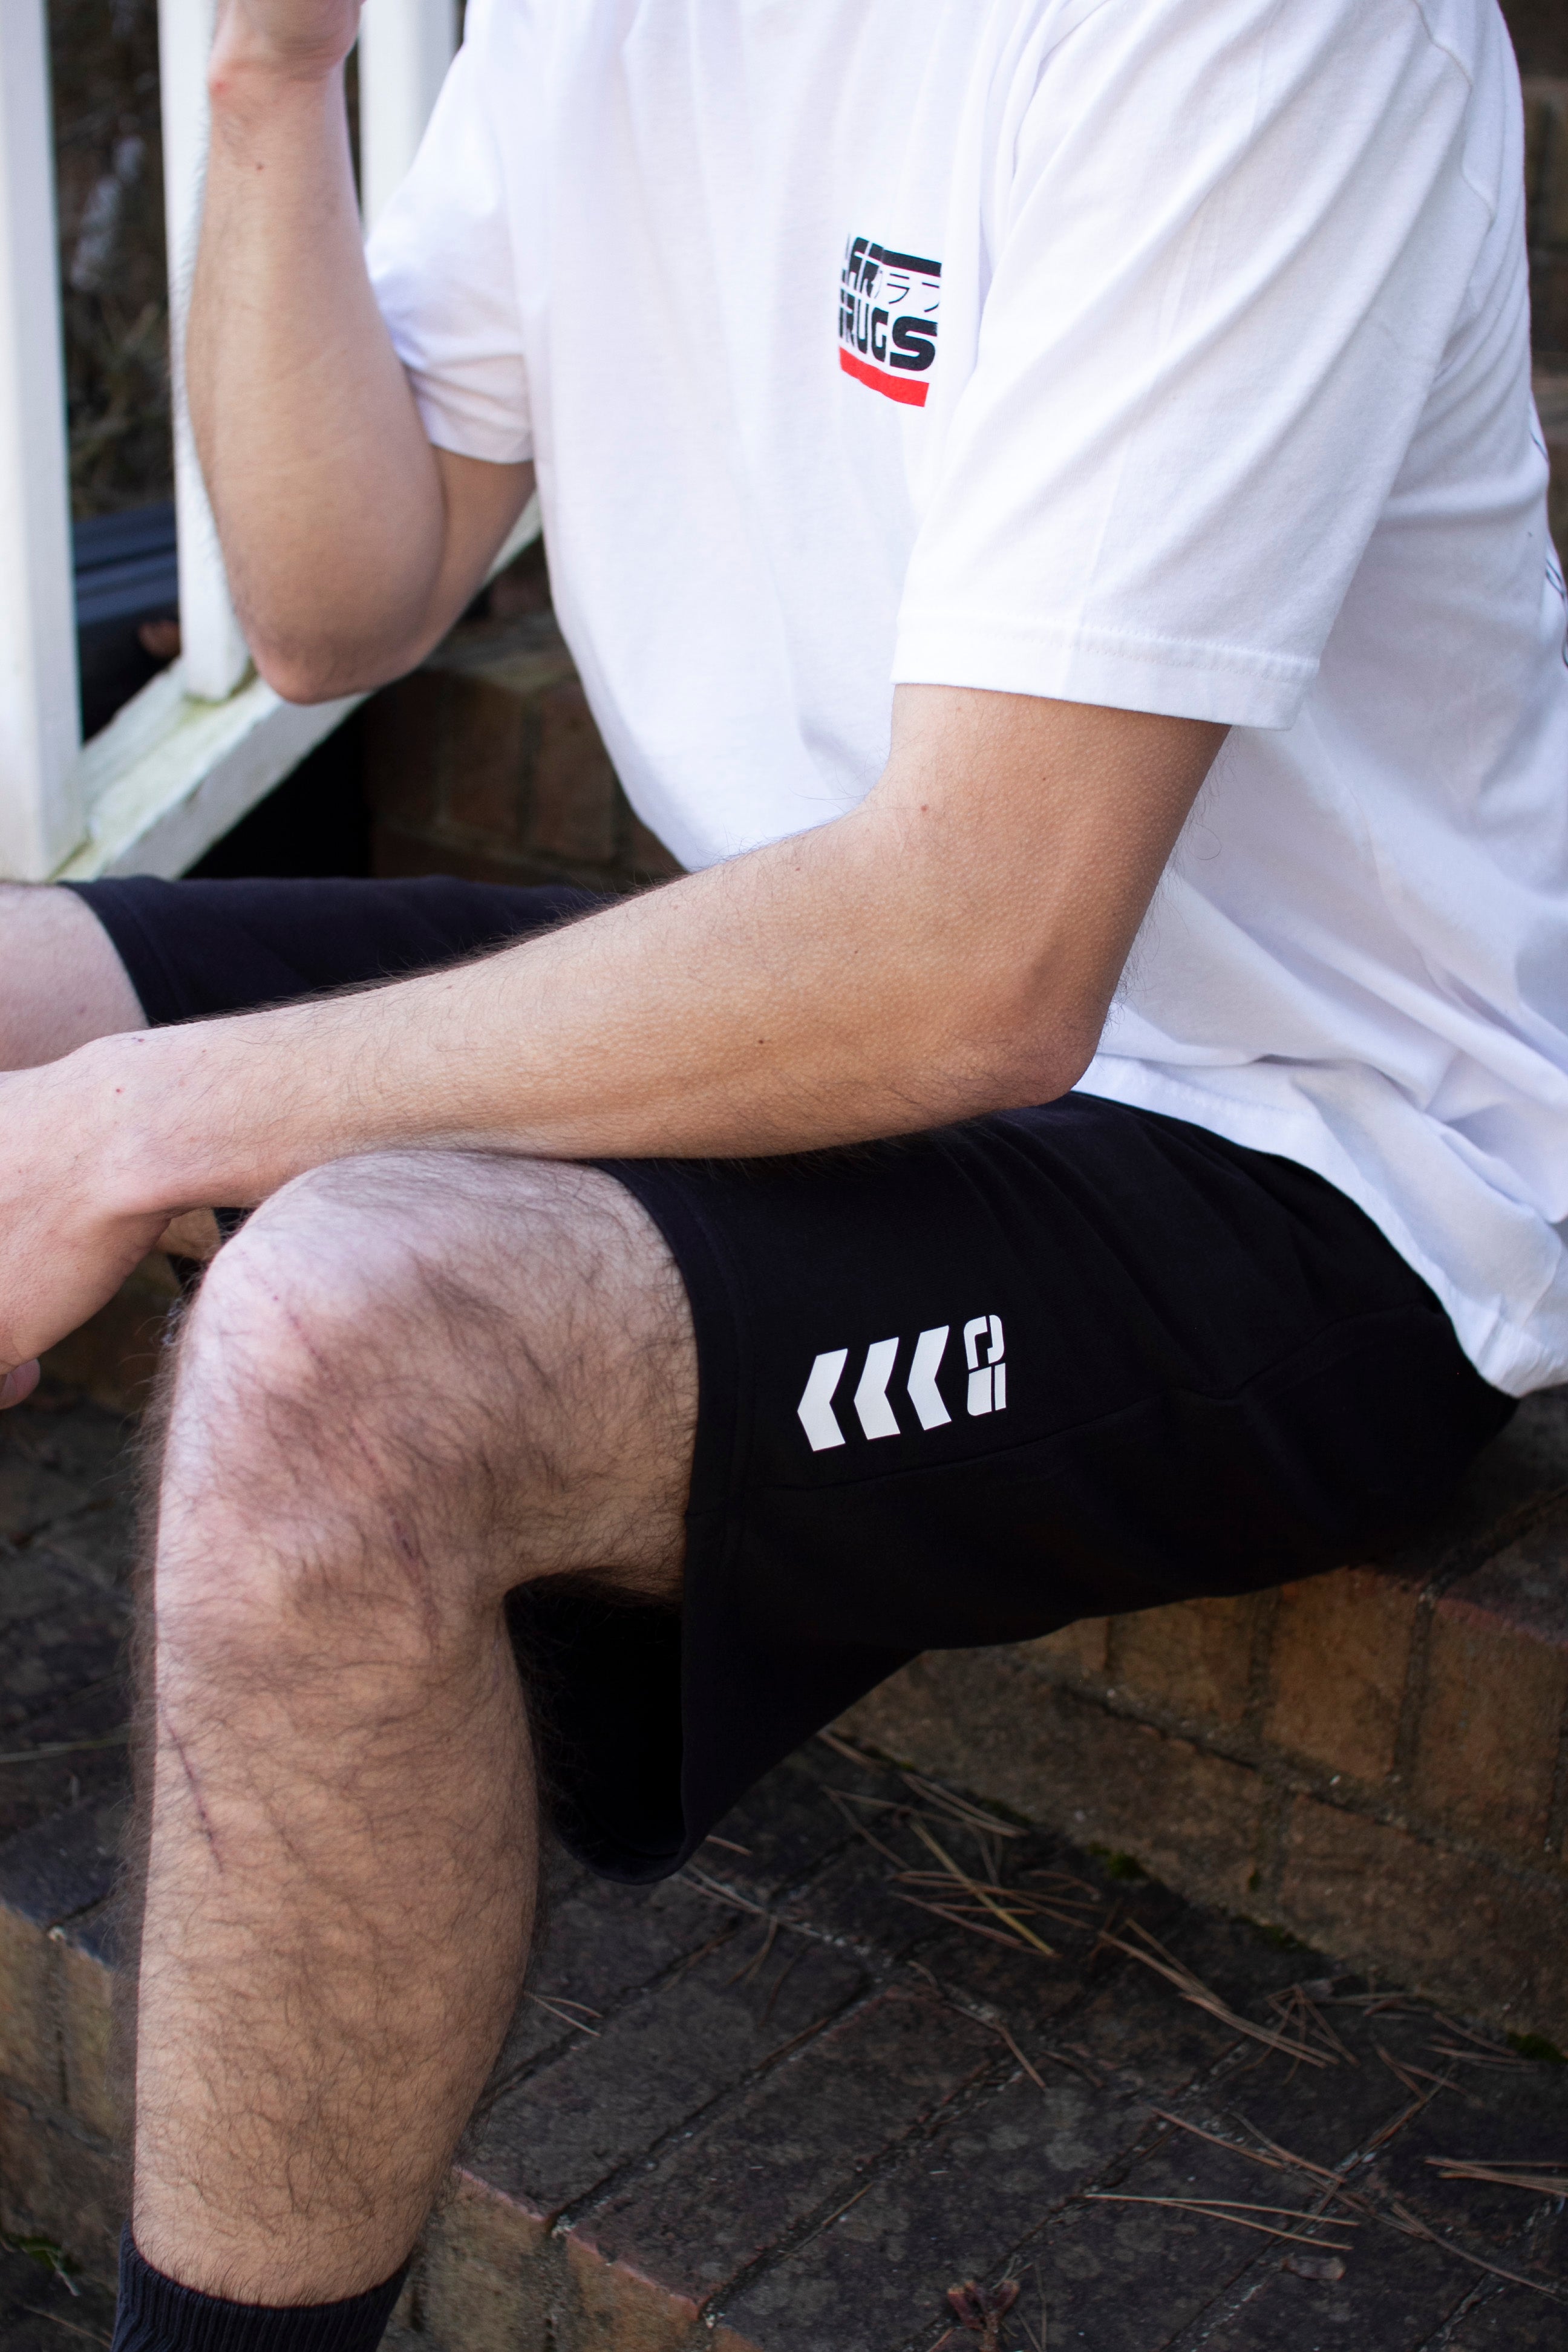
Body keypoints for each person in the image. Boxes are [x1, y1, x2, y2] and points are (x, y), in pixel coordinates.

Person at [1, 0, 1563, 2344]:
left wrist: (144, 1121)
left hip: (1306, 1154)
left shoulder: (1253, 31)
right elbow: (337, 604)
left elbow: (981, 952)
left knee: (334, 1346)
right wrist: (270, 83)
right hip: (824, 1002)